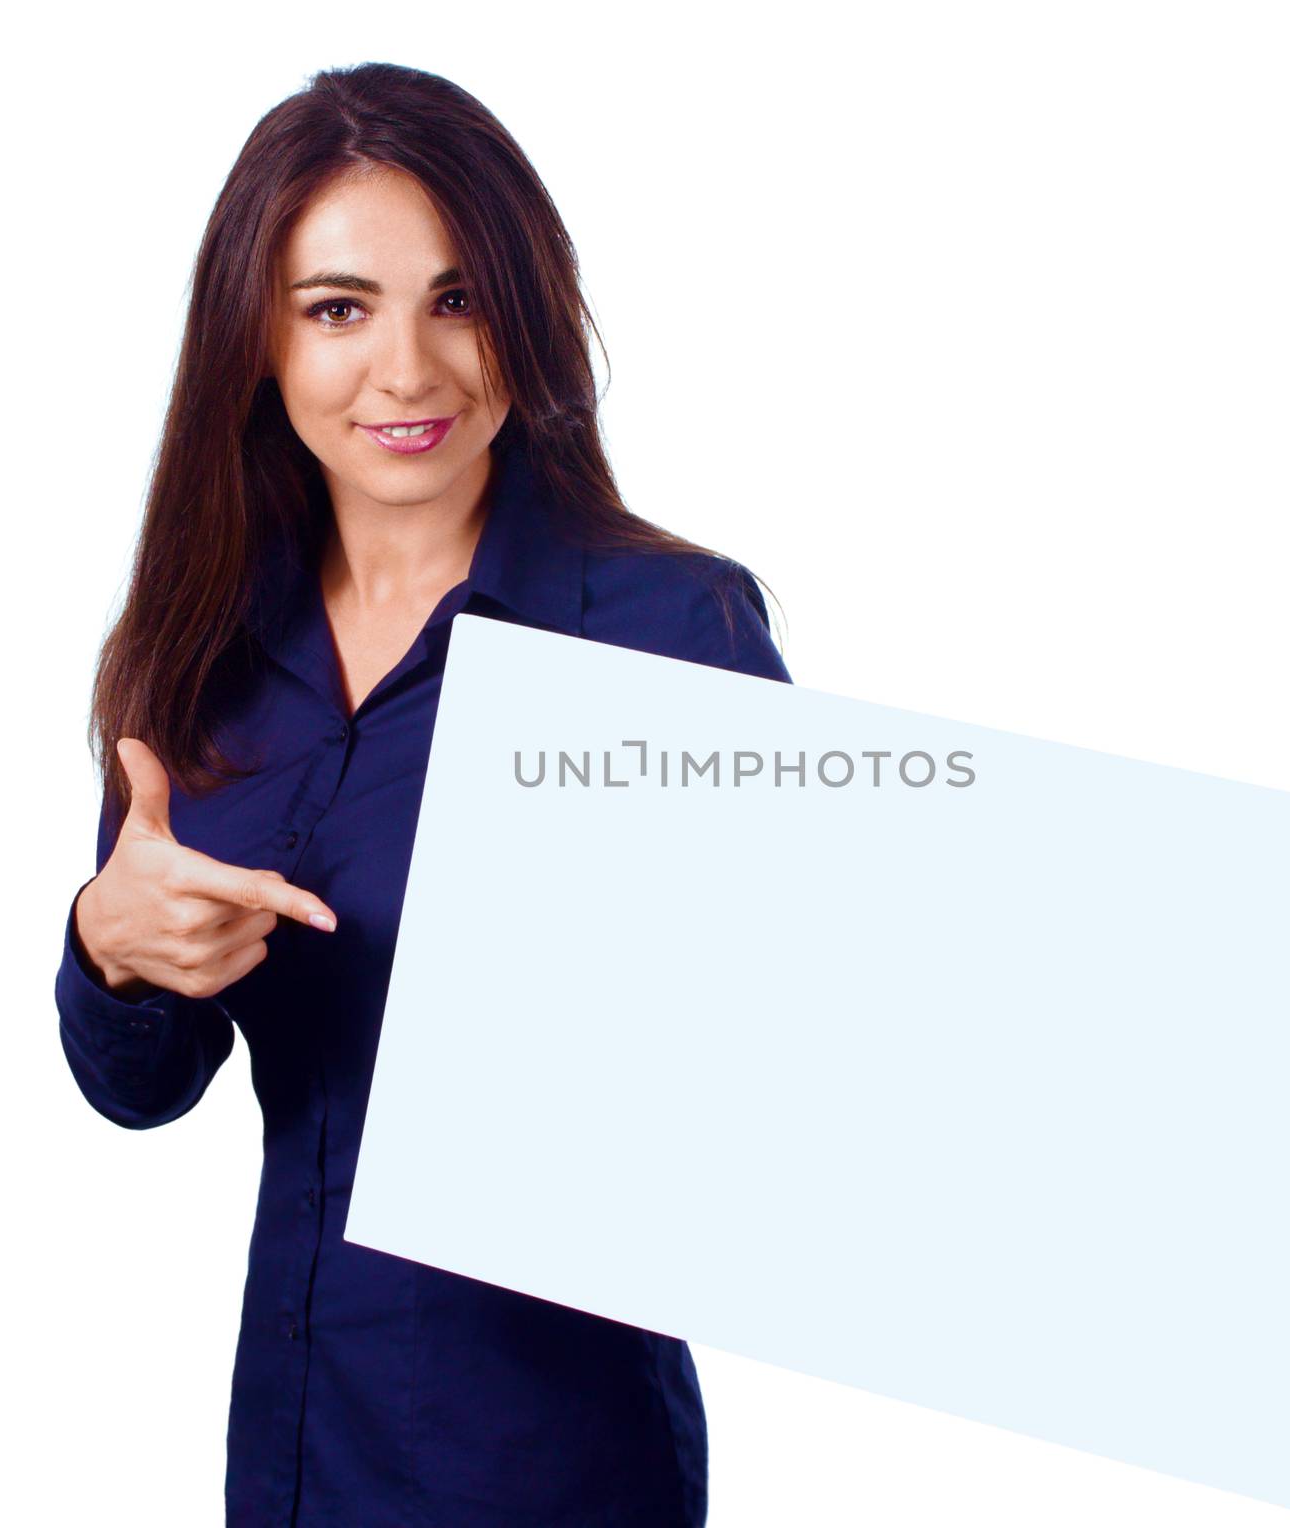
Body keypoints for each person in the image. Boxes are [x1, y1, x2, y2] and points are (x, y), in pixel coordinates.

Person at [53, 61, 790, 1527]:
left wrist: (1287, 1123)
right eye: (340, 308)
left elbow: (857, 1042)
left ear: (530, 314)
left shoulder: (662, 631)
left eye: (458, 300)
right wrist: (110, 949)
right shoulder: (198, 662)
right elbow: (141, 1088)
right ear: (257, 340)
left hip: (563, 1470)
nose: (408, 370)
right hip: (293, 1450)